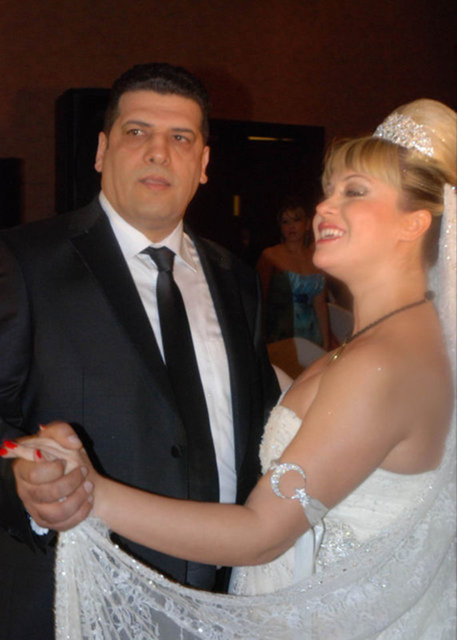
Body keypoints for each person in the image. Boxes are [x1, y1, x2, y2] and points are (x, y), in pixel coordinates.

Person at [3, 97, 456, 639]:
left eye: (353, 192)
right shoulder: (385, 339)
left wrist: (89, 491)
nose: (323, 207)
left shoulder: (384, 360)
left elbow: (262, 532)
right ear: (100, 151)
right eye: (329, 190)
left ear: (415, 222)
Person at [0, 63, 280, 640]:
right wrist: (20, 482)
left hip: (220, 601)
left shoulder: (237, 279)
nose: (158, 152)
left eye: (181, 137)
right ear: (102, 151)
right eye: (137, 132)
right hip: (72, 595)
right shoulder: (24, 262)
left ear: (203, 163)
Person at [256, 198, 331, 349]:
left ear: (307, 224)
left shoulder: (317, 258)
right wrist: (260, 337)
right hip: (280, 334)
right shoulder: (270, 255)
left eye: (296, 220)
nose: (291, 226)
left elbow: (320, 305)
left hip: (312, 334)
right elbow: (259, 299)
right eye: (285, 222)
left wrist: (327, 343)